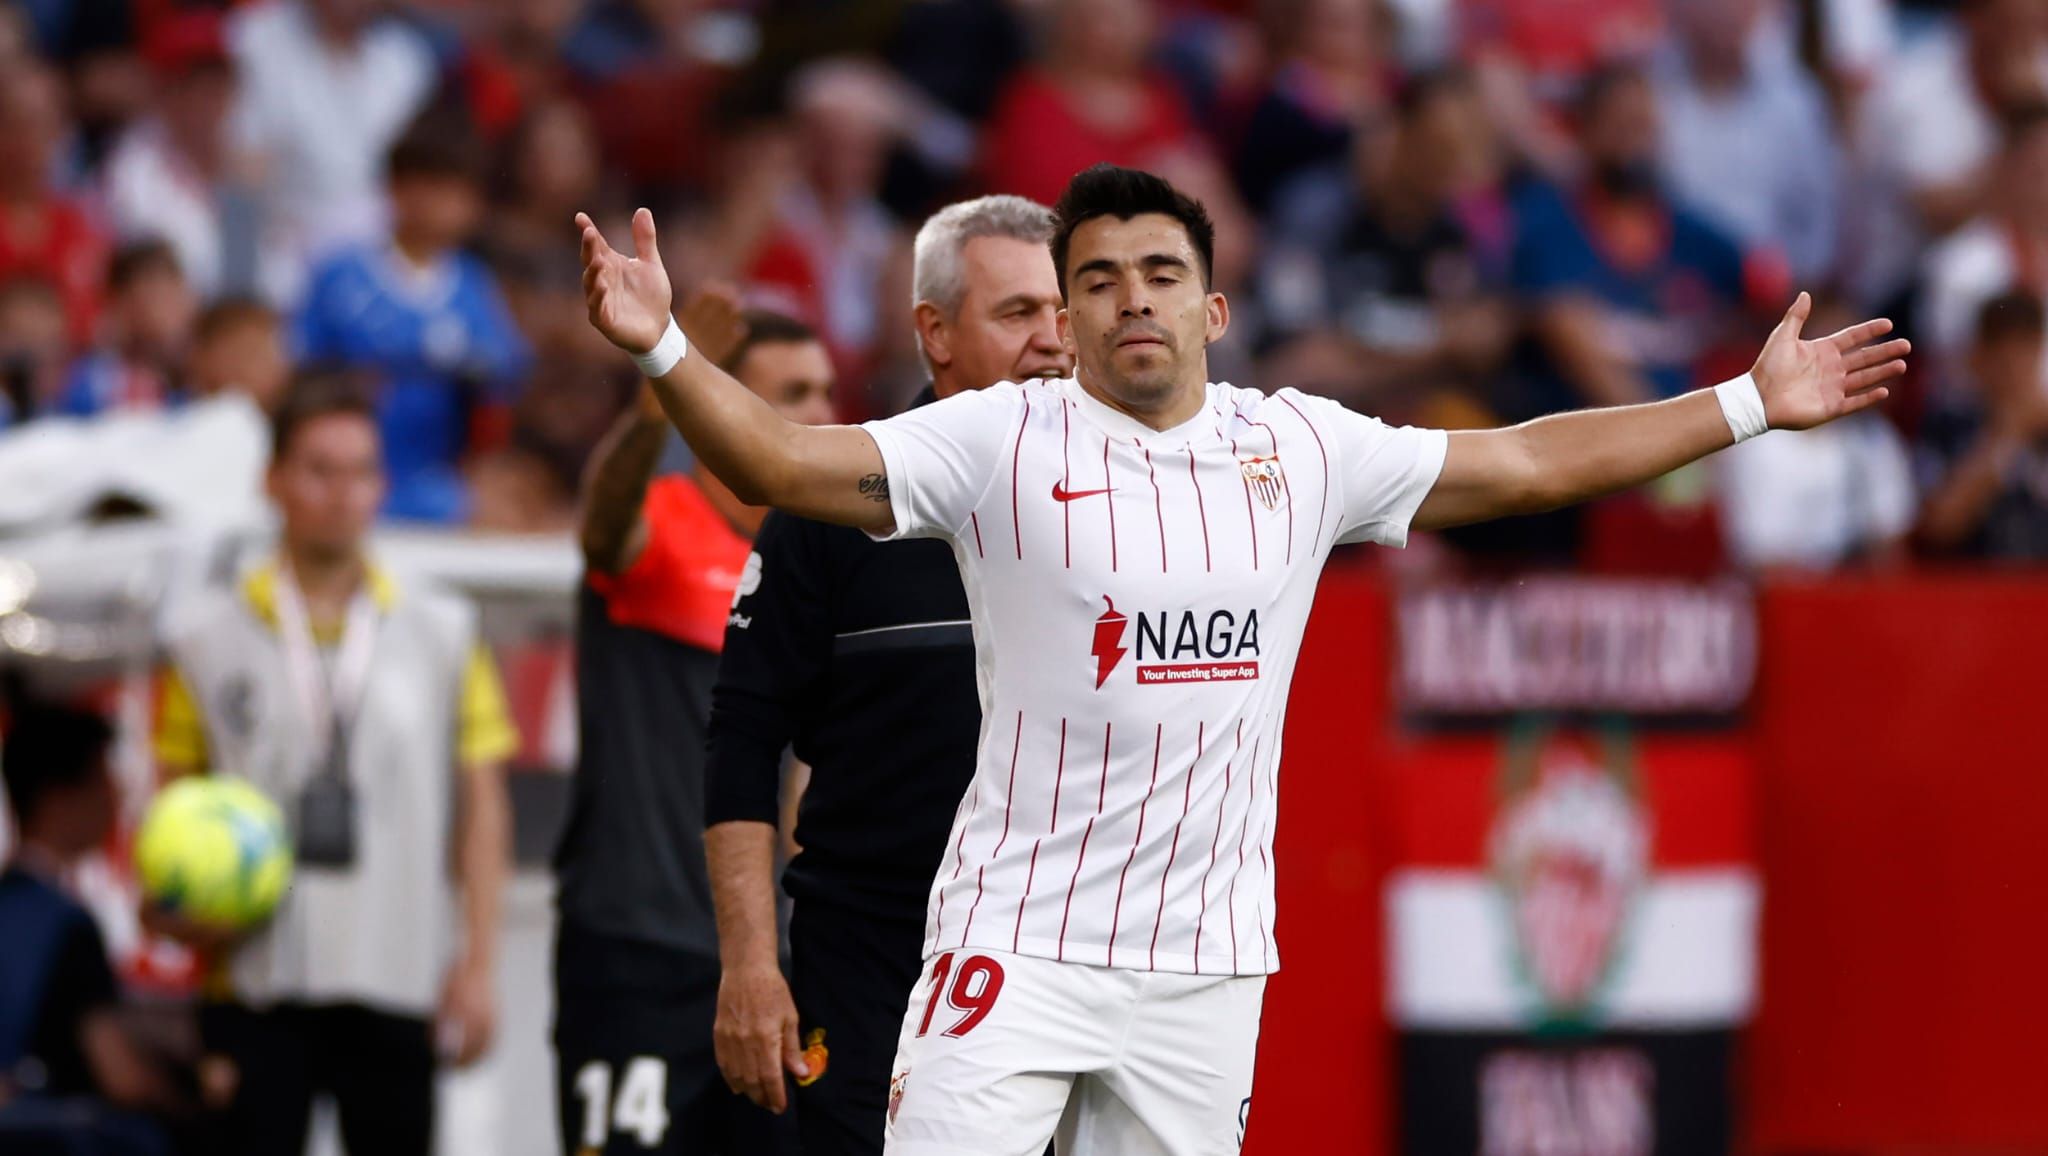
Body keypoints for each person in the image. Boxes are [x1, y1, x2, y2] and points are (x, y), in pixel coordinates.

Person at [575, 163, 1906, 1156]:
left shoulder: (1304, 448)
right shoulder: (995, 441)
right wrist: (668, 348)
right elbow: (778, 461)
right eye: (1094, 282)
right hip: (1011, 948)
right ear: (1076, 324)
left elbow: (1522, 461)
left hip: (1202, 967)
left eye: (1156, 274)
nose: (1126, 300)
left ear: (1211, 307)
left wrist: (1743, 405)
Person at [704, 195, 1069, 1156]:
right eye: (1019, 313)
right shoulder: (830, 504)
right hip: (875, 971)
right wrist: (749, 963)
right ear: (935, 333)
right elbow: (742, 740)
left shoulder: (1131, 500)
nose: (1053, 341)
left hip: (1070, 965)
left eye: (1065, 312)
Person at [153, 374, 517, 1156]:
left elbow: (481, 806)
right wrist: (172, 905)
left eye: (361, 471)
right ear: (274, 480)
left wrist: (478, 963)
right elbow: (171, 805)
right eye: (320, 469)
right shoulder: (202, 635)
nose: (343, 492)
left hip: (399, 969)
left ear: (383, 484)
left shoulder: (443, 627)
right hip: (252, 976)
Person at [552, 298, 834, 1156]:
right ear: (722, 406)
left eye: (826, 391)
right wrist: (653, 397)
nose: (821, 415)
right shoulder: (661, 525)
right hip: (638, 948)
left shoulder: (827, 564)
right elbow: (602, 526)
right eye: (792, 393)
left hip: (781, 965)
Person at [294, 106, 533, 523]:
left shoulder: (473, 287)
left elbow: (506, 376)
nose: (447, 204)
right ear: (397, 188)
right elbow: (298, 372)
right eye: (434, 186)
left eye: (460, 191)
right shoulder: (341, 276)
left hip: (439, 485)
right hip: (343, 480)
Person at [0, 703, 191, 1156]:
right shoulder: (66, 925)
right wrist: (187, 1107)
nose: (119, 798)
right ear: (60, 794)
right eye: (106, 780)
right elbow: (121, 1076)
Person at [1917, 289, 2048, 559]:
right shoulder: (1949, 423)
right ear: (1978, 355)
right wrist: (2007, 436)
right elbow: (1941, 524)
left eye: (2026, 349)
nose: (2014, 367)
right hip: (1972, 589)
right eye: (2002, 352)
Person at [57, 241, 198, 417]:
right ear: (116, 306)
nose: (157, 313)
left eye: (167, 296)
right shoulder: (93, 380)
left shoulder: (210, 366)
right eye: (144, 300)